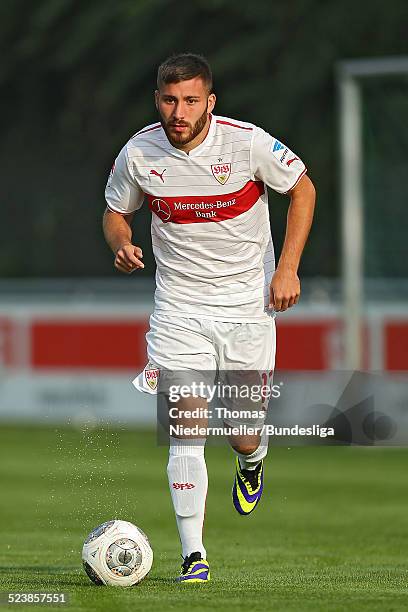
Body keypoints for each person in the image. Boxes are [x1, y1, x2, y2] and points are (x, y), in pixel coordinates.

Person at [103, 53, 316, 583]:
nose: (180, 111)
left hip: (247, 305)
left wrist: (287, 269)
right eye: (171, 100)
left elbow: (303, 188)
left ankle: (251, 460)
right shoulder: (138, 152)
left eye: (191, 100)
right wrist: (123, 243)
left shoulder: (246, 142)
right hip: (179, 308)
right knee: (185, 427)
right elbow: (115, 211)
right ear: (158, 100)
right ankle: (193, 555)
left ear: (210, 102)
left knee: (243, 432)